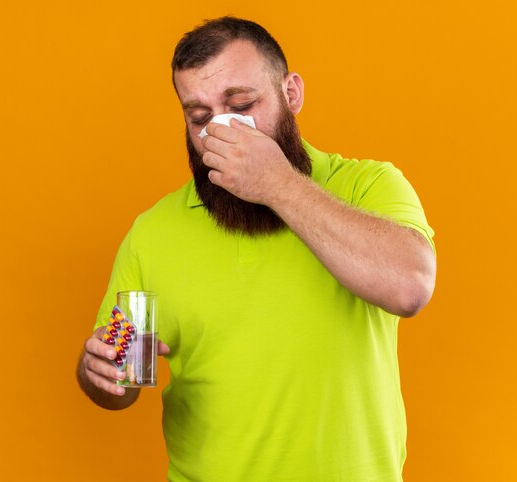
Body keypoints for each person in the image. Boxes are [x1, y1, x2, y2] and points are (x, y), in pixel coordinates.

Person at [77, 16, 436, 482]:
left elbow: (410, 286)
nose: (221, 130)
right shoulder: (152, 232)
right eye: (200, 118)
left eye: (241, 104)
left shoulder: (369, 185)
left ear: (292, 94)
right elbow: (120, 374)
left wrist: (277, 183)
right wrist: (101, 375)